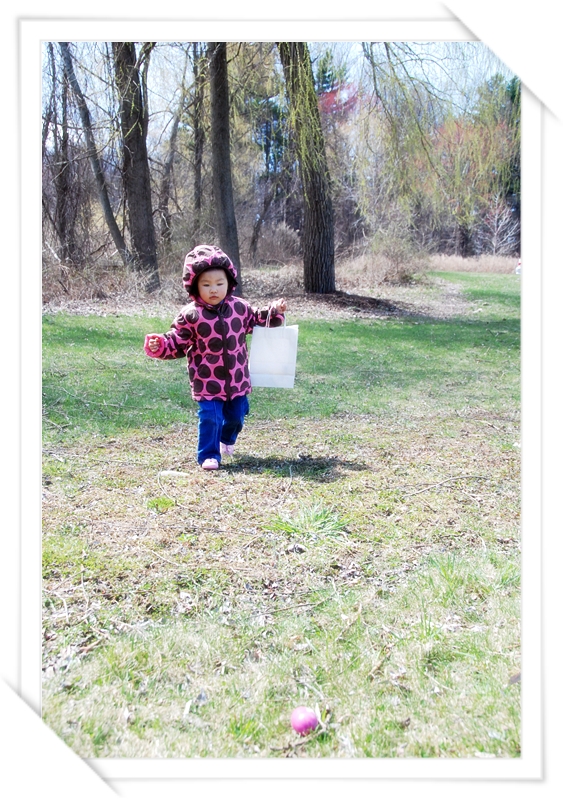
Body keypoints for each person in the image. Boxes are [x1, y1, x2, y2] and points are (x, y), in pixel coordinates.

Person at [144, 244, 287, 470]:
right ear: (194, 286)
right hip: (207, 380)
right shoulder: (191, 315)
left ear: (229, 283)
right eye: (206, 284)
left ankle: (227, 439)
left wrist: (274, 311)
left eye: (219, 283)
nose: (213, 290)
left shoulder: (239, 308)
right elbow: (178, 340)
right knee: (211, 417)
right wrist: (161, 343)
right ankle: (209, 455)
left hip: (237, 378)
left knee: (237, 415)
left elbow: (258, 320)